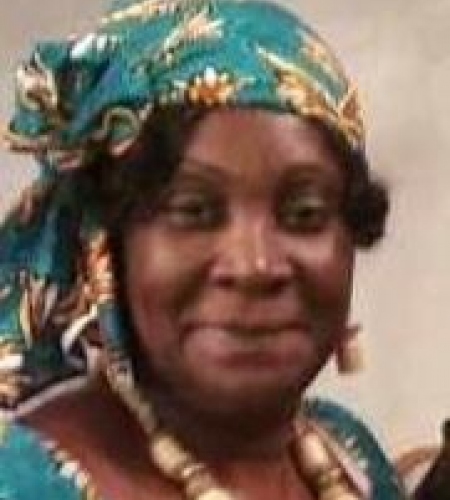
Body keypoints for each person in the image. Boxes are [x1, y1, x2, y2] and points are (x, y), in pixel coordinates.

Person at [0, 0, 406, 498]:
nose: (255, 266)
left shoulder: (353, 457)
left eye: (304, 213)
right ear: (105, 245)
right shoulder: (20, 483)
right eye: (193, 211)